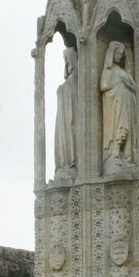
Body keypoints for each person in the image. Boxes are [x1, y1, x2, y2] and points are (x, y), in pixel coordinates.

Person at [100, 41, 136, 173]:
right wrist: (119, 83)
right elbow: (103, 86)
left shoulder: (122, 71)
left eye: (121, 54)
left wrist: (126, 83)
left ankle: (126, 157)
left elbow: (134, 87)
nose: (119, 56)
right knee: (118, 130)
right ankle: (113, 155)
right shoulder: (109, 70)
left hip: (126, 105)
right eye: (118, 53)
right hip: (115, 105)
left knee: (125, 130)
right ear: (112, 53)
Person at [53, 46, 78, 179]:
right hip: (64, 121)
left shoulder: (74, 83)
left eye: (68, 61)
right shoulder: (67, 85)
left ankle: (69, 164)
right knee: (64, 136)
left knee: (70, 135)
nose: (67, 64)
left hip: (71, 120)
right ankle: (64, 165)